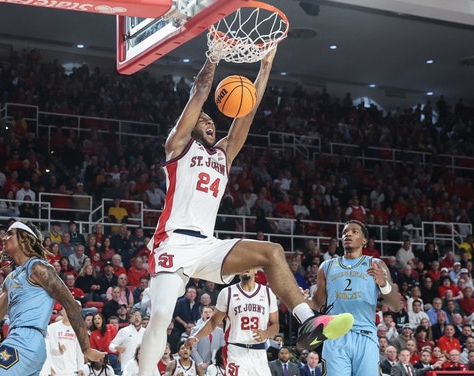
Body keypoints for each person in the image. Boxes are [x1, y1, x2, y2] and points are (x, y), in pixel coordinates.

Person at [138, 47, 347, 375]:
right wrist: (213, 56)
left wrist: (265, 66)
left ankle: (309, 322)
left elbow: (246, 112)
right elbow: (200, 91)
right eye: (204, 120)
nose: (209, 123)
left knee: (273, 252)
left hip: (207, 245)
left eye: (211, 120)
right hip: (173, 243)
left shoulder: (223, 154)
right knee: (162, 313)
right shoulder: (177, 146)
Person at [0, 221, 104, 375]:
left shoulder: (38, 268)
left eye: (10, 233)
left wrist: (86, 348)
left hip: (27, 342)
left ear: (24, 238)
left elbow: (71, 305)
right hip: (20, 341)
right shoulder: (10, 279)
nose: (4, 237)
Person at [309, 220, 402, 376]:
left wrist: (383, 283)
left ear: (364, 240)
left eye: (354, 231)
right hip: (335, 336)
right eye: (345, 232)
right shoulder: (327, 266)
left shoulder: (376, 264)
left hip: (365, 336)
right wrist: (302, 299)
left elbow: (396, 306)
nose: (348, 234)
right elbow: (317, 304)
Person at [187, 269, 277, 375]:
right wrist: (196, 336)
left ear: (256, 270)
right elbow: (213, 322)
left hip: (259, 351)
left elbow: (275, 325)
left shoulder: (268, 293)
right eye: (243, 264)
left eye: (250, 264)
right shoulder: (227, 293)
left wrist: (266, 333)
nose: (246, 266)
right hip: (236, 350)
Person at [47, 306, 86, 376]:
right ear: (62, 311)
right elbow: (48, 349)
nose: (68, 312)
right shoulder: (51, 328)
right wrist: (48, 366)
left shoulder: (78, 330)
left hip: (72, 370)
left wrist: (81, 368)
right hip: (55, 371)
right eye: (66, 309)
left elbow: (79, 351)